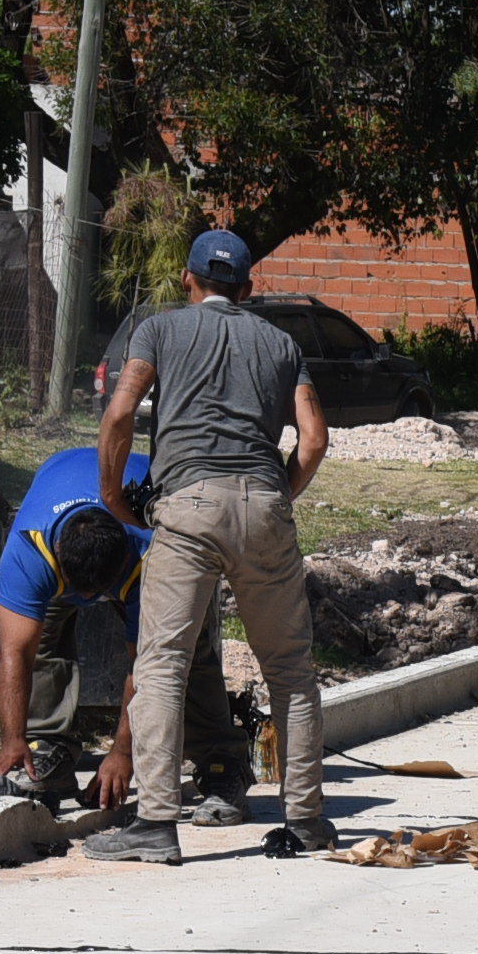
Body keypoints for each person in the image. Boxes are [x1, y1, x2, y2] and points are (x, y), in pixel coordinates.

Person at [81, 228, 329, 863]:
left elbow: (118, 414)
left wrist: (115, 495)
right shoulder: (281, 344)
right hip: (266, 504)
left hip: (186, 508)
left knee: (162, 665)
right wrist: (277, 498)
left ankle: (157, 825)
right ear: (247, 290)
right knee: (291, 673)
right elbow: (314, 441)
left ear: (187, 281)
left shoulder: (159, 331)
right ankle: (305, 820)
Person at [0, 442, 244, 820]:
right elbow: (13, 654)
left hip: (161, 515)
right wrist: (12, 739)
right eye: (80, 590)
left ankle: (222, 763)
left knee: (188, 649)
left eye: (101, 592)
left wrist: (123, 752)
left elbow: (145, 665)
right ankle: (45, 746)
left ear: (122, 560)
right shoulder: (29, 551)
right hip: (63, 474)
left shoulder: (150, 547)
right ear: (58, 552)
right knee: (38, 641)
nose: (91, 601)